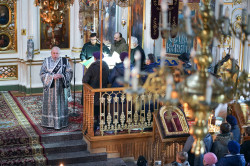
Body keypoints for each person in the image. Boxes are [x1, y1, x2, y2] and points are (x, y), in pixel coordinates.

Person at [40, 46, 73, 129]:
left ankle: (62, 122)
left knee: (61, 104)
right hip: (50, 89)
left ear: (59, 53)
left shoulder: (65, 61)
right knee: (50, 105)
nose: (55, 55)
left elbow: (69, 72)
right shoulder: (46, 61)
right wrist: (52, 77)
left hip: (61, 88)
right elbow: (42, 74)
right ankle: (49, 123)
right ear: (51, 53)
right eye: (54, 53)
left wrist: (62, 75)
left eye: (57, 53)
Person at [82, 51, 109, 130]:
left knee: (94, 110)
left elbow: (85, 79)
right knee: (101, 109)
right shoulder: (106, 65)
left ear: (94, 58)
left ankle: (93, 126)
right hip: (103, 92)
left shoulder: (93, 66)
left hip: (93, 93)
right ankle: (101, 123)